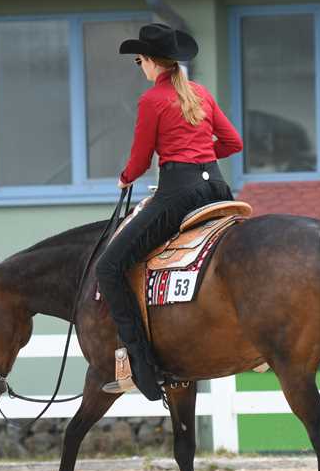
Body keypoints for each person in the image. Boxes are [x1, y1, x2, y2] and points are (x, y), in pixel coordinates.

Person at [95, 23, 244, 401]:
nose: (139, 67)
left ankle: (143, 368)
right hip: (217, 188)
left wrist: (125, 178)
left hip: (179, 194)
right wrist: (202, 157)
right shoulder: (200, 93)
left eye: (138, 61)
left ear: (149, 61)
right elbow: (233, 142)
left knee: (108, 267)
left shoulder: (152, 100)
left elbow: (141, 159)